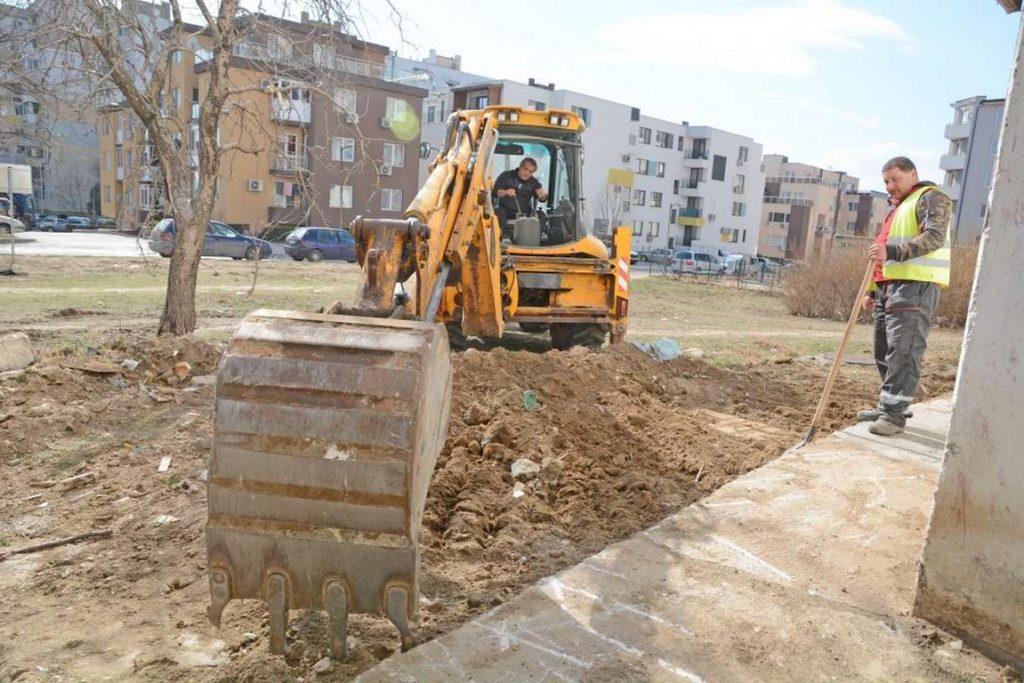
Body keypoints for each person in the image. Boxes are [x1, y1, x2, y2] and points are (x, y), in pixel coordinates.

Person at [859, 156, 952, 436]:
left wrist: (892, 252)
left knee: (904, 351)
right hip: (889, 287)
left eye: (895, 179)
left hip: (915, 286)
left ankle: (894, 416)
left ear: (913, 174)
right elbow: (882, 253)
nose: (890, 186)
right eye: (886, 181)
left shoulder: (931, 197)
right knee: (884, 351)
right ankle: (887, 405)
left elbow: (934, 237)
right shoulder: (897, 208)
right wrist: (873, 290)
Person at [493, 158, 548, 237]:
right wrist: (506, 192)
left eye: (530, 172)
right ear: (520, 166)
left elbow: (543, 199)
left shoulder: (534, 182)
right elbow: (495, 192)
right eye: (525, 169)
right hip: (506, 211)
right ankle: (505, 236)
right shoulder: (506, 176)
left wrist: (543, 196)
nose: (527, 173)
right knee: (498, 211)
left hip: (525, 213)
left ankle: (538, 237)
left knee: (542, 215)